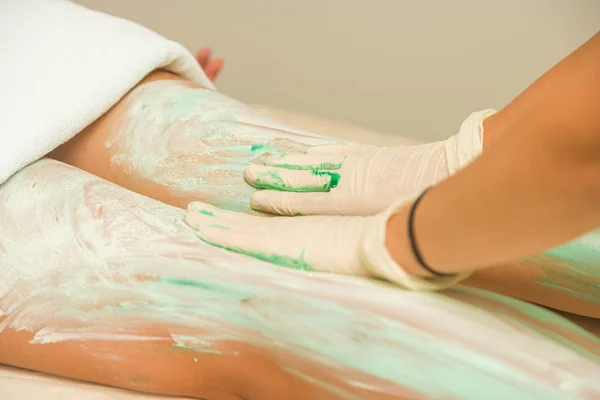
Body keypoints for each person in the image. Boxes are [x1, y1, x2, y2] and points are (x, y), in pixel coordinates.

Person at [1, 1, 599, 399]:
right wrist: (466, 157)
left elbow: (579, 161)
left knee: (270, 281)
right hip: (40, 50)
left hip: (54, 61)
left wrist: (398, 242)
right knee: (266, 269)